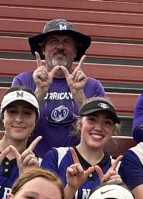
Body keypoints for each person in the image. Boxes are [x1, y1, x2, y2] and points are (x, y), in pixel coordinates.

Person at [41, 97, 123, 199]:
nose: (98, 127)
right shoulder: (56, 157)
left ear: (113, 130)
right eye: (92, 119)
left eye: (107, 122)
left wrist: (113, 194)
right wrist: (71, 188)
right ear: (80, 123)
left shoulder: (117, 168)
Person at [13, 19, 105, 156]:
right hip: (32, 161)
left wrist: (79, 94)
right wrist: (39, 92)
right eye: (53, 41)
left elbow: (100, 128)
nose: (60, 47)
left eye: (67, 42)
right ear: (43, 50)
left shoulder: (93, 86)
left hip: (77, 164)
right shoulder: (23, 81)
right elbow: (14, 122)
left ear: (75, 52)